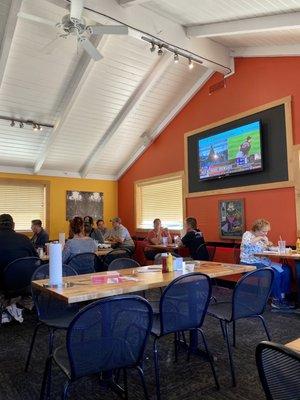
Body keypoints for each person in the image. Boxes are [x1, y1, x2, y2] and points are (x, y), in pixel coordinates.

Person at [240, 219, 293, 310]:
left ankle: (282, 296)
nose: (266, 234)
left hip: (264, 262)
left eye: (267, 231)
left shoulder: (263, 238)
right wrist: (260, 238)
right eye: (264, 231)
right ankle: (276, 300)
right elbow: (247, 244)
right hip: (249, 263)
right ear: (256, 229)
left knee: (286, 269)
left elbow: (267, 249)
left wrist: (274, 247)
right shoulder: (247, 234)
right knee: (273, 272)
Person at [0, 214, 37, 280]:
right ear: (13, 225)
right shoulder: (24, 238)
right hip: (24, 281)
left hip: (3, 283)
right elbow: (36, 258)